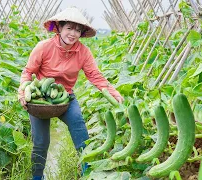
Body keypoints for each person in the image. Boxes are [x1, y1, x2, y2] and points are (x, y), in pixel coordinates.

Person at [18, 7, 123, 180]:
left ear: (81, 33)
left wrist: (113, 93)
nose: (73, 33)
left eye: (77, 30)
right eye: (69, 28)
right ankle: (37, 177)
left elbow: (95, 76)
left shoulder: (83, 52)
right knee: (41, 143)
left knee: (81, 135)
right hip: (40, 98)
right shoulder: (43, 47)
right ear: (59, 27)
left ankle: (88, 174)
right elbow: (28, 72)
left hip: (66, 98)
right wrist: (23, 92)